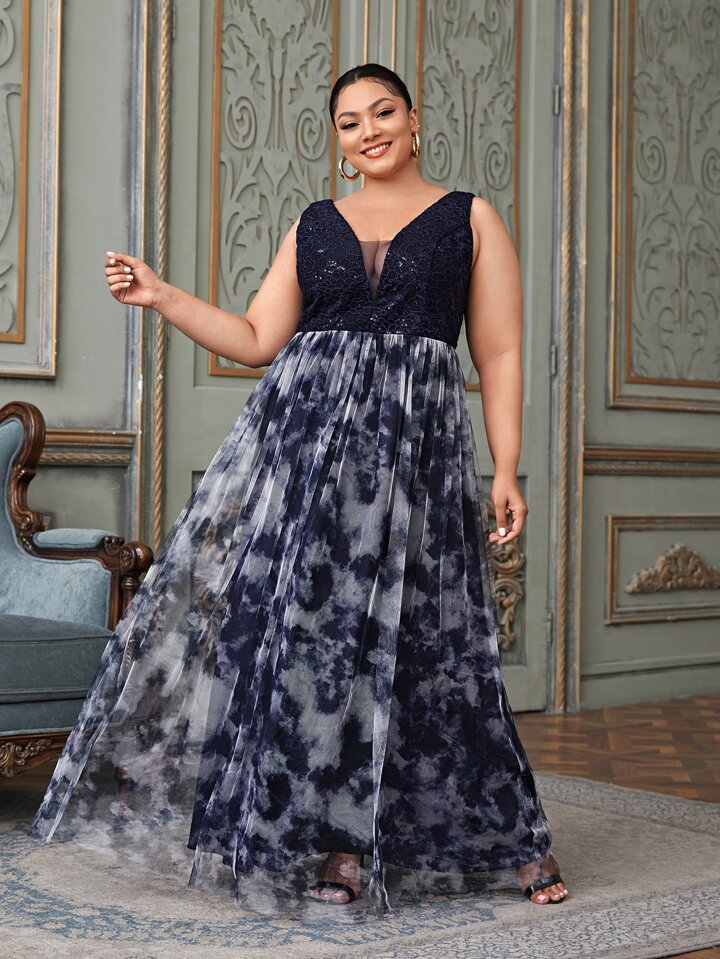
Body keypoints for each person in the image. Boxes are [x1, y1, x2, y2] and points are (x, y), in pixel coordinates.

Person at [30, 62, 568, 914]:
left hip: (416, 461)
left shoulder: (470, 217)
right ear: (339, 142)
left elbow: (498, 352)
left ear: (415, 120)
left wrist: (505, 465)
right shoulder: (315, 224)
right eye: (350, 122)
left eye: (382, 113)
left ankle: (511, 839)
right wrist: (162, 295)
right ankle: (335, 844)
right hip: (306, 462)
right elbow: (255, 337)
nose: (368, 131)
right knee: (313, 649)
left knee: (434, 643)